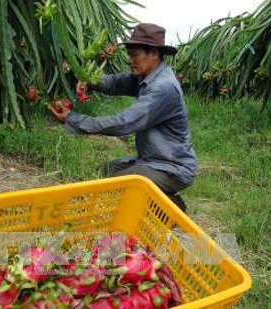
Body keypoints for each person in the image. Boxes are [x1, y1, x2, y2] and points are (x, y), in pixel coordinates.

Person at [49, 23, 197, 212]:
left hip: (172, 167)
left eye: (134, 54)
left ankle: (171, 208)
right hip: (151, 159)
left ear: (154, 53)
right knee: (102, 173)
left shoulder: (163, 87)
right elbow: (115, 83)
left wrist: (73, 119)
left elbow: (124, 123)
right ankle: (159, 196)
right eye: (129, 54)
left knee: (113, 188)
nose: (130, 60)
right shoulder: (147, 76)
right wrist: (90, 81)